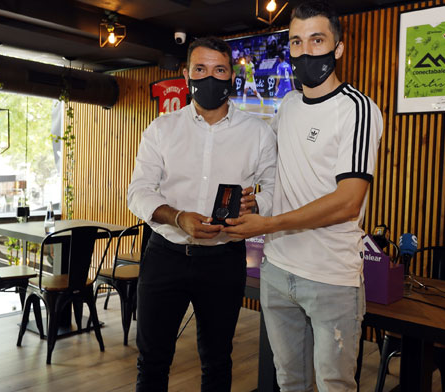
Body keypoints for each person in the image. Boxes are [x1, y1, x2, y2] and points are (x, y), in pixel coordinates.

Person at [224, 1, 383, 390]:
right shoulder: (289, 105)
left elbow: (348, 201)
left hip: (330, 277)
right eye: (296, 41)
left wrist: (270, 224)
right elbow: (280, 173)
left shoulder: (357, 110)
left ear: (338, 48)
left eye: (317, 39)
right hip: (277, 270)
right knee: (288, 382)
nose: (306, 51)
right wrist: (255, 201)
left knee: (334, 385)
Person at [127, 36, 277, 392]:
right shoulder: (161, 129)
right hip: (165, 256)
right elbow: (138, 191)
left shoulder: (257, 133)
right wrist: (178, 217)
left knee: (217, 360)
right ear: (186, 74)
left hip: (224, 261)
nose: (210, 78)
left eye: (219, 70)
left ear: (231, 76)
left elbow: (273, 190)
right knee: (152, 360)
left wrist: (255, 204)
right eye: (201, 69)